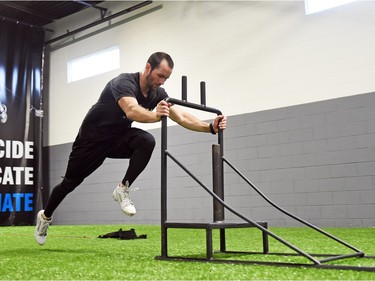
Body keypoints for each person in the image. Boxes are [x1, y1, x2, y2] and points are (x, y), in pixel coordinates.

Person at [35, 52, 227, 245]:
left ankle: (123, 189)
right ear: (148, 68)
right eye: (160, 76)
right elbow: (131, 110)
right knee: (69, 183)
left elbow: (181, 117)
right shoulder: (124, 82)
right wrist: (156, 116)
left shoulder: (157, 94)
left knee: (146, 141)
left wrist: (209, 127)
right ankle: (45, 216)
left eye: (166, 78)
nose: (162, 82)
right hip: (91, 141)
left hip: (117, 139)